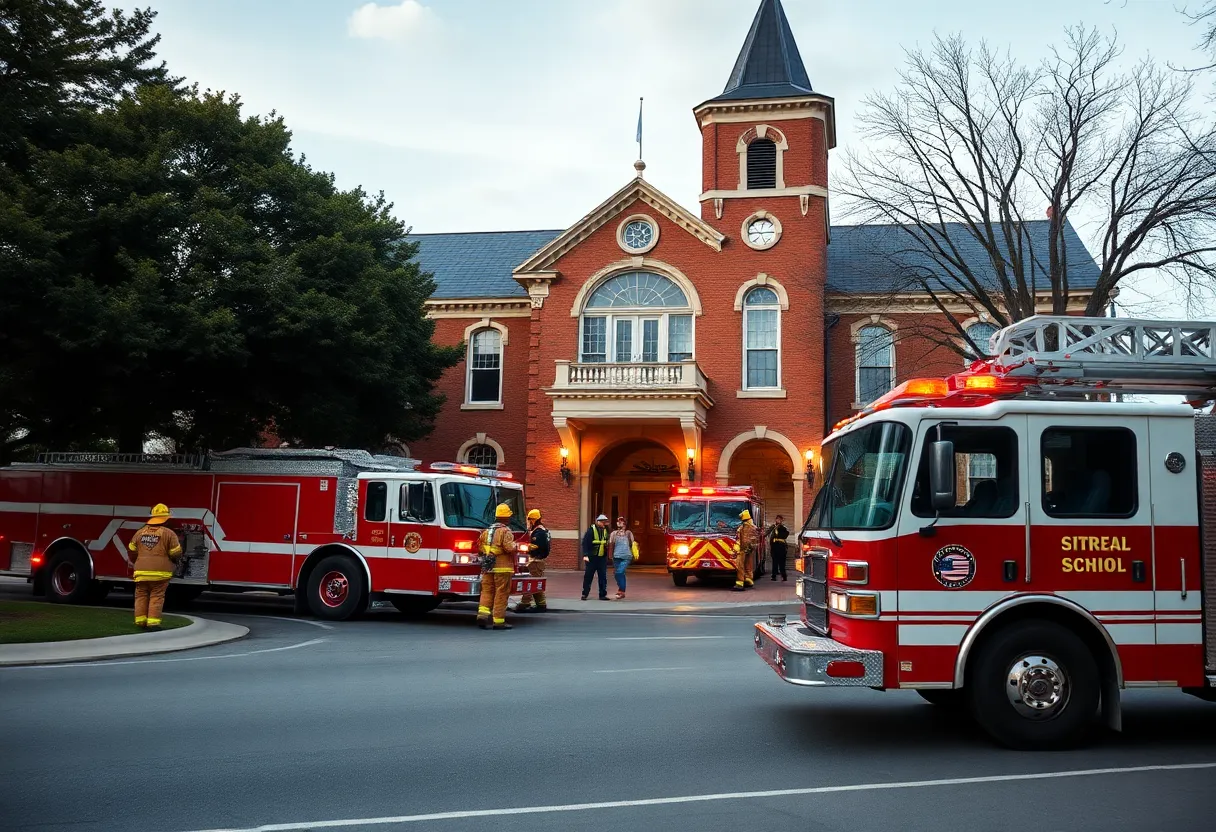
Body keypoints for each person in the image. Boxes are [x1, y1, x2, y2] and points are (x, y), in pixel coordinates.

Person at [126, 503, 183, 629]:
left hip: (141, 572)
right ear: (166, 519)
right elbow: (176, 552)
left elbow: (131, 549)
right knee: (157, 596)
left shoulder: (140, 532)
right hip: (161, 573)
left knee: (141, 595)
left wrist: (137, 561)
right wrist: (174, 561)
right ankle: (153, 623)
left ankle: (140, 621)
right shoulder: (169, 533)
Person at [476, 503, 518, 630]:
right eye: (509, 516)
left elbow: (479, 548)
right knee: (501, 593)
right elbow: (509, 548)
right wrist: (516, 545)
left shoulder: (486, 531)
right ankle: (498, 621)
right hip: (503, 568)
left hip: (487, 567)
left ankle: (482, 616)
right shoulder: (505, 531)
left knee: (487, 591)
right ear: (505, 518)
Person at [515, 508, 550, 613]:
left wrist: (522, 546)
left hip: (536, 561)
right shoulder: (541, 530)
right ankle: (541, 604)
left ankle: (525, 603)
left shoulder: (539, 532)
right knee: (536, 582)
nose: (529, 522)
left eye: (529, 520)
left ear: (533, 520)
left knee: (529, 582)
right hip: (538, 561)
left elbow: (535, 546)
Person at [581, 514, 611, 601]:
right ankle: (584, 594)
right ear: (597, 521)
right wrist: (585, 555)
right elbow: (585, 543)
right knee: (588, 576)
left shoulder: (606, 530)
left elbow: (606, 541)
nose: (604, 523)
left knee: (602, 577)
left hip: (601, 558)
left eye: (604, 522)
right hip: (592, 558)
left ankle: (602, 595)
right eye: (602, 521)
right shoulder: (591, 530)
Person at [607, 516, 638, 599]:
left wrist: (635, 553)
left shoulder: (628, 533)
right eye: (618, 521)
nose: (619, 523)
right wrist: (610, 555)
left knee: (619, 572)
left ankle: (621, 590)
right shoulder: (614, 533)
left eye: (621, 521)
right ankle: (621, 591)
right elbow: (611, 544)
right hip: (616, 556)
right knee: (617, 574)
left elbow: (633, 544)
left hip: (626, 556)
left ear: (624, 523)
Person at [733, 508, 758, 592]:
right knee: (748, 565)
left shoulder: (744, 527)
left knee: (740, 565)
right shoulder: (753, 527)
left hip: (742, 549)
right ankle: (749, 580)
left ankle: (739, 583)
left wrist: (737, 549)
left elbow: (741, 539)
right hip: (750, 550)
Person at [767, 515, 790, 581]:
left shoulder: (784, 528)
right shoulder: (773, 527)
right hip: (775, 546)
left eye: (780, 520)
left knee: (782, 562)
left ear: (782, 520)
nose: (779, 521)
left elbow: (785, 535)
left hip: (782, 546)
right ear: (776, 520)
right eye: (778, 519)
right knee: (775, 562)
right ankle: (774, 576)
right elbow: (768, 532)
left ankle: (784, 576)